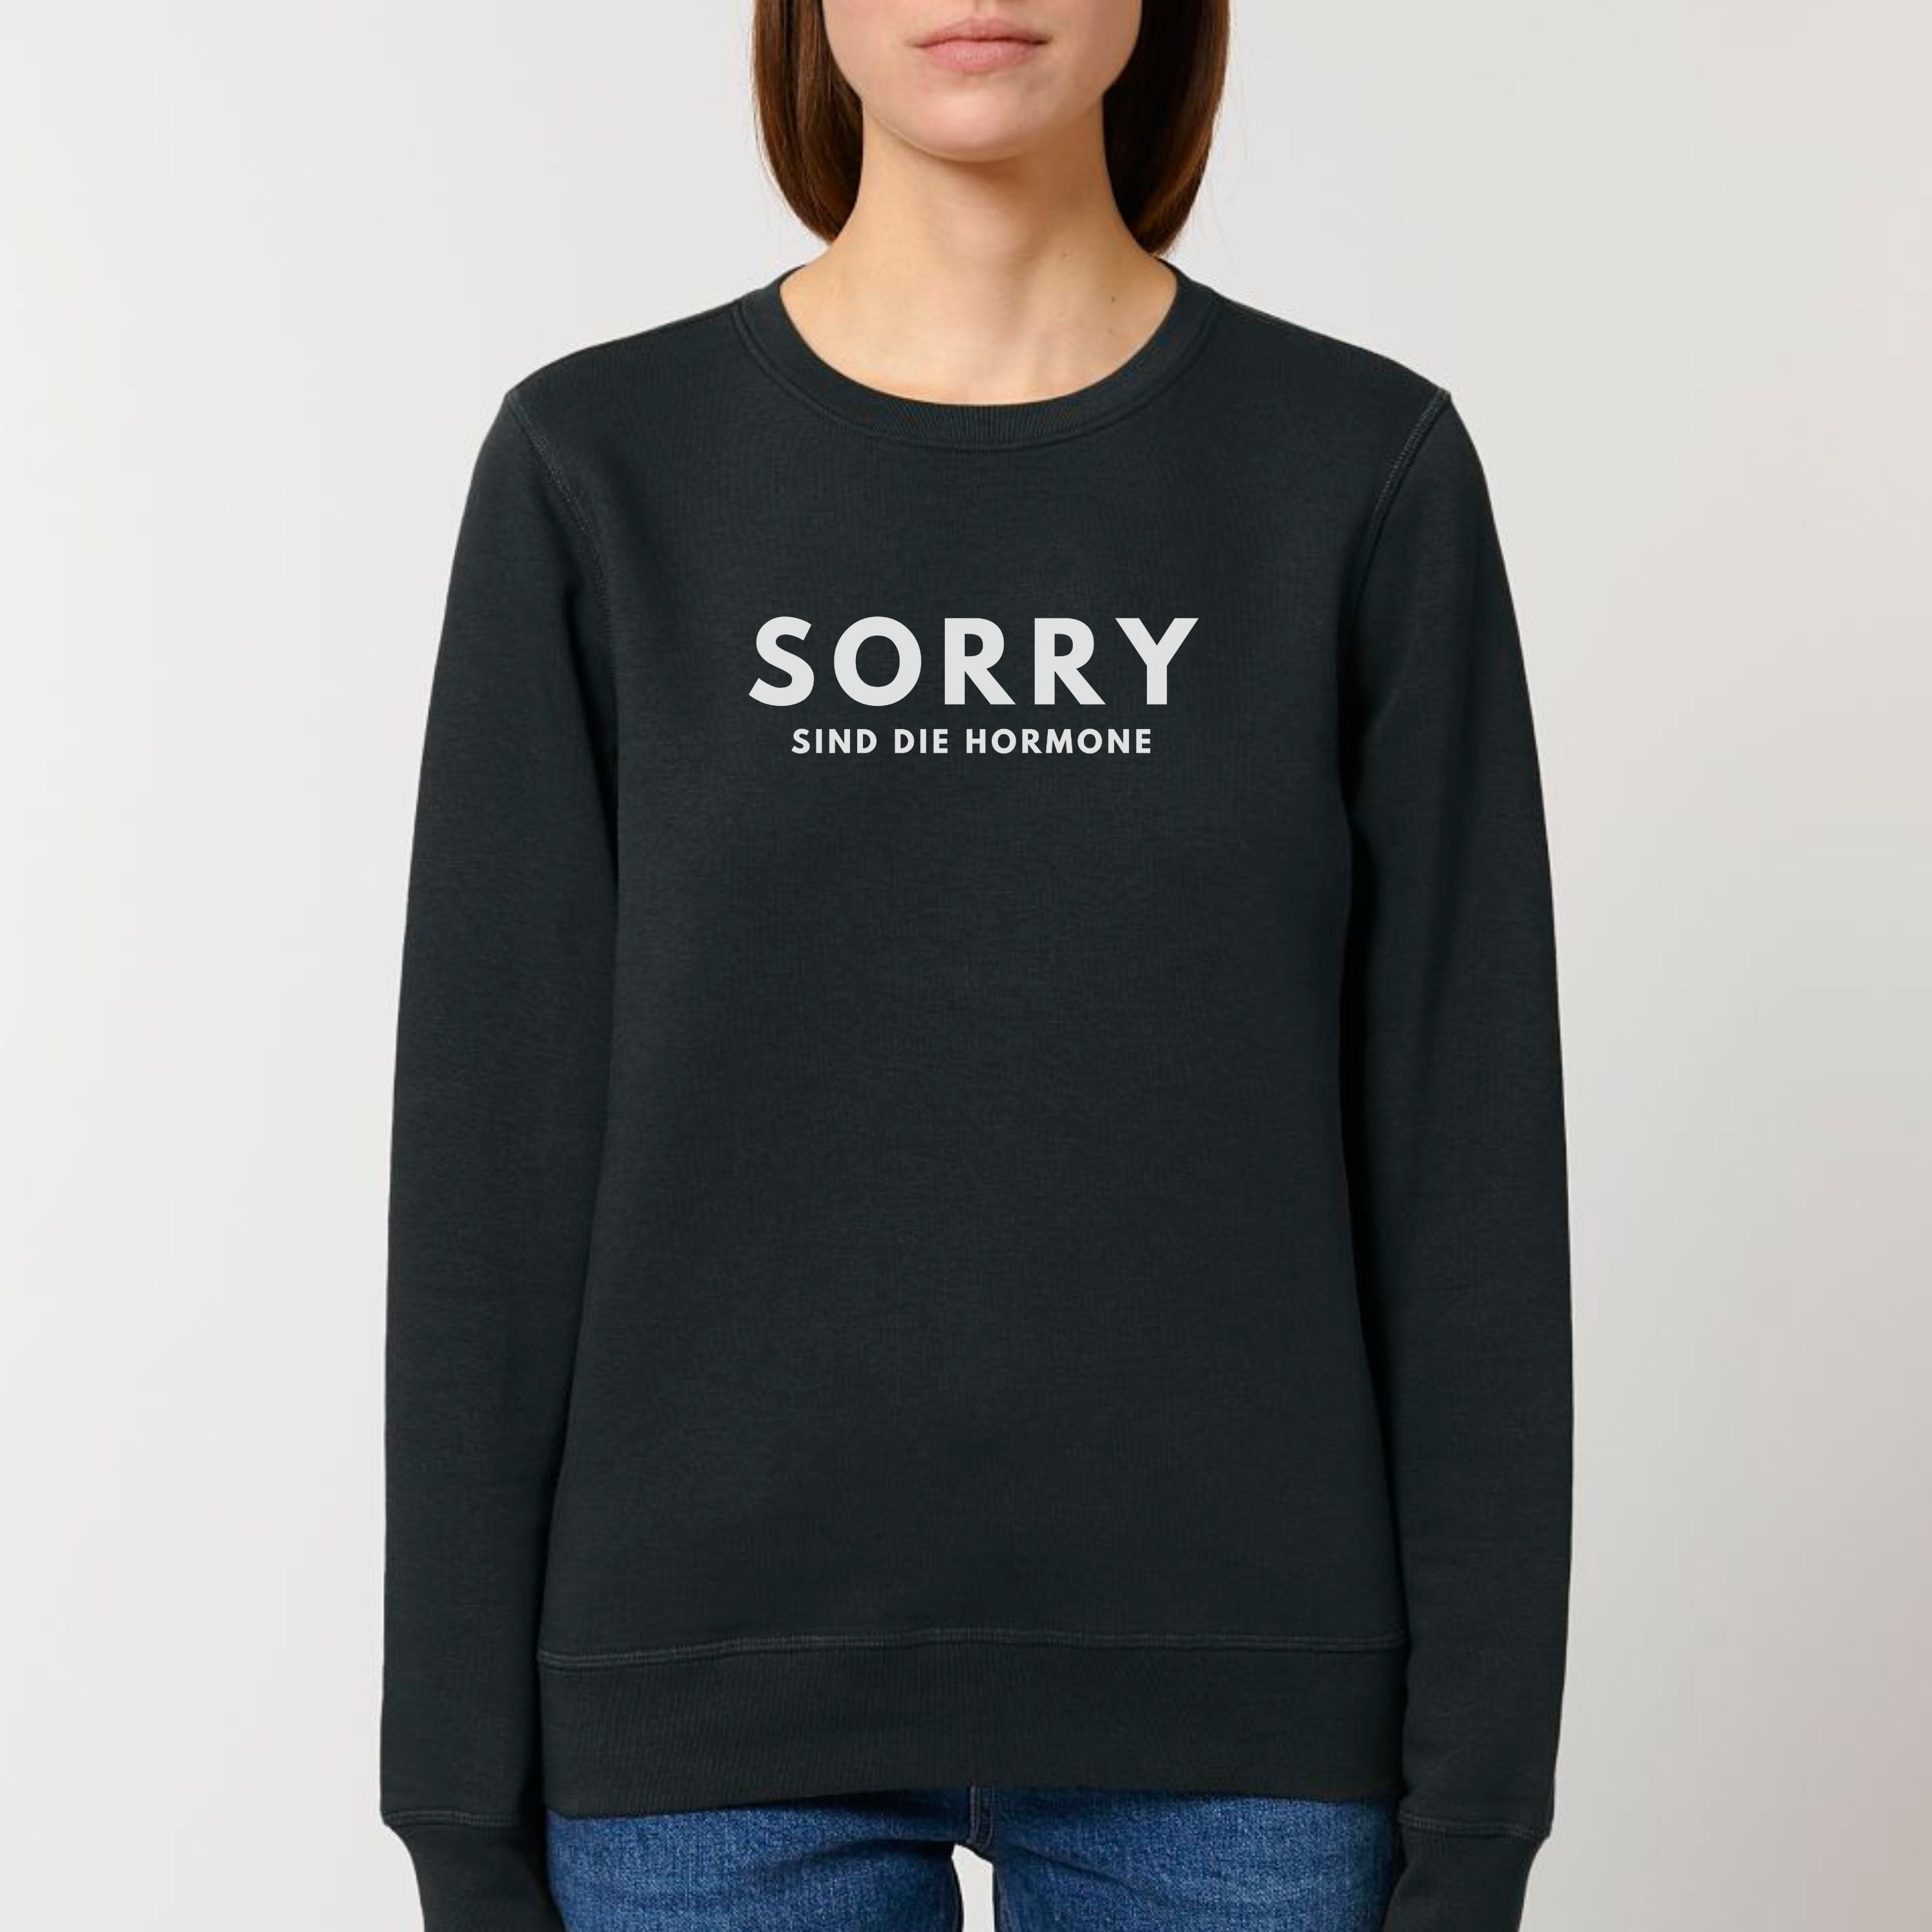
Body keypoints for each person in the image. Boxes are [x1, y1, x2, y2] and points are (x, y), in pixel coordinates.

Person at [377, 4, 1574, 1929]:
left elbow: (1470, 1166)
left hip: (1247, 1726)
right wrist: (456, 1805)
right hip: (703, 1722)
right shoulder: (600, 467)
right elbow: (490, 1162)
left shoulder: (1360, 470)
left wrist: (1481, 1811)